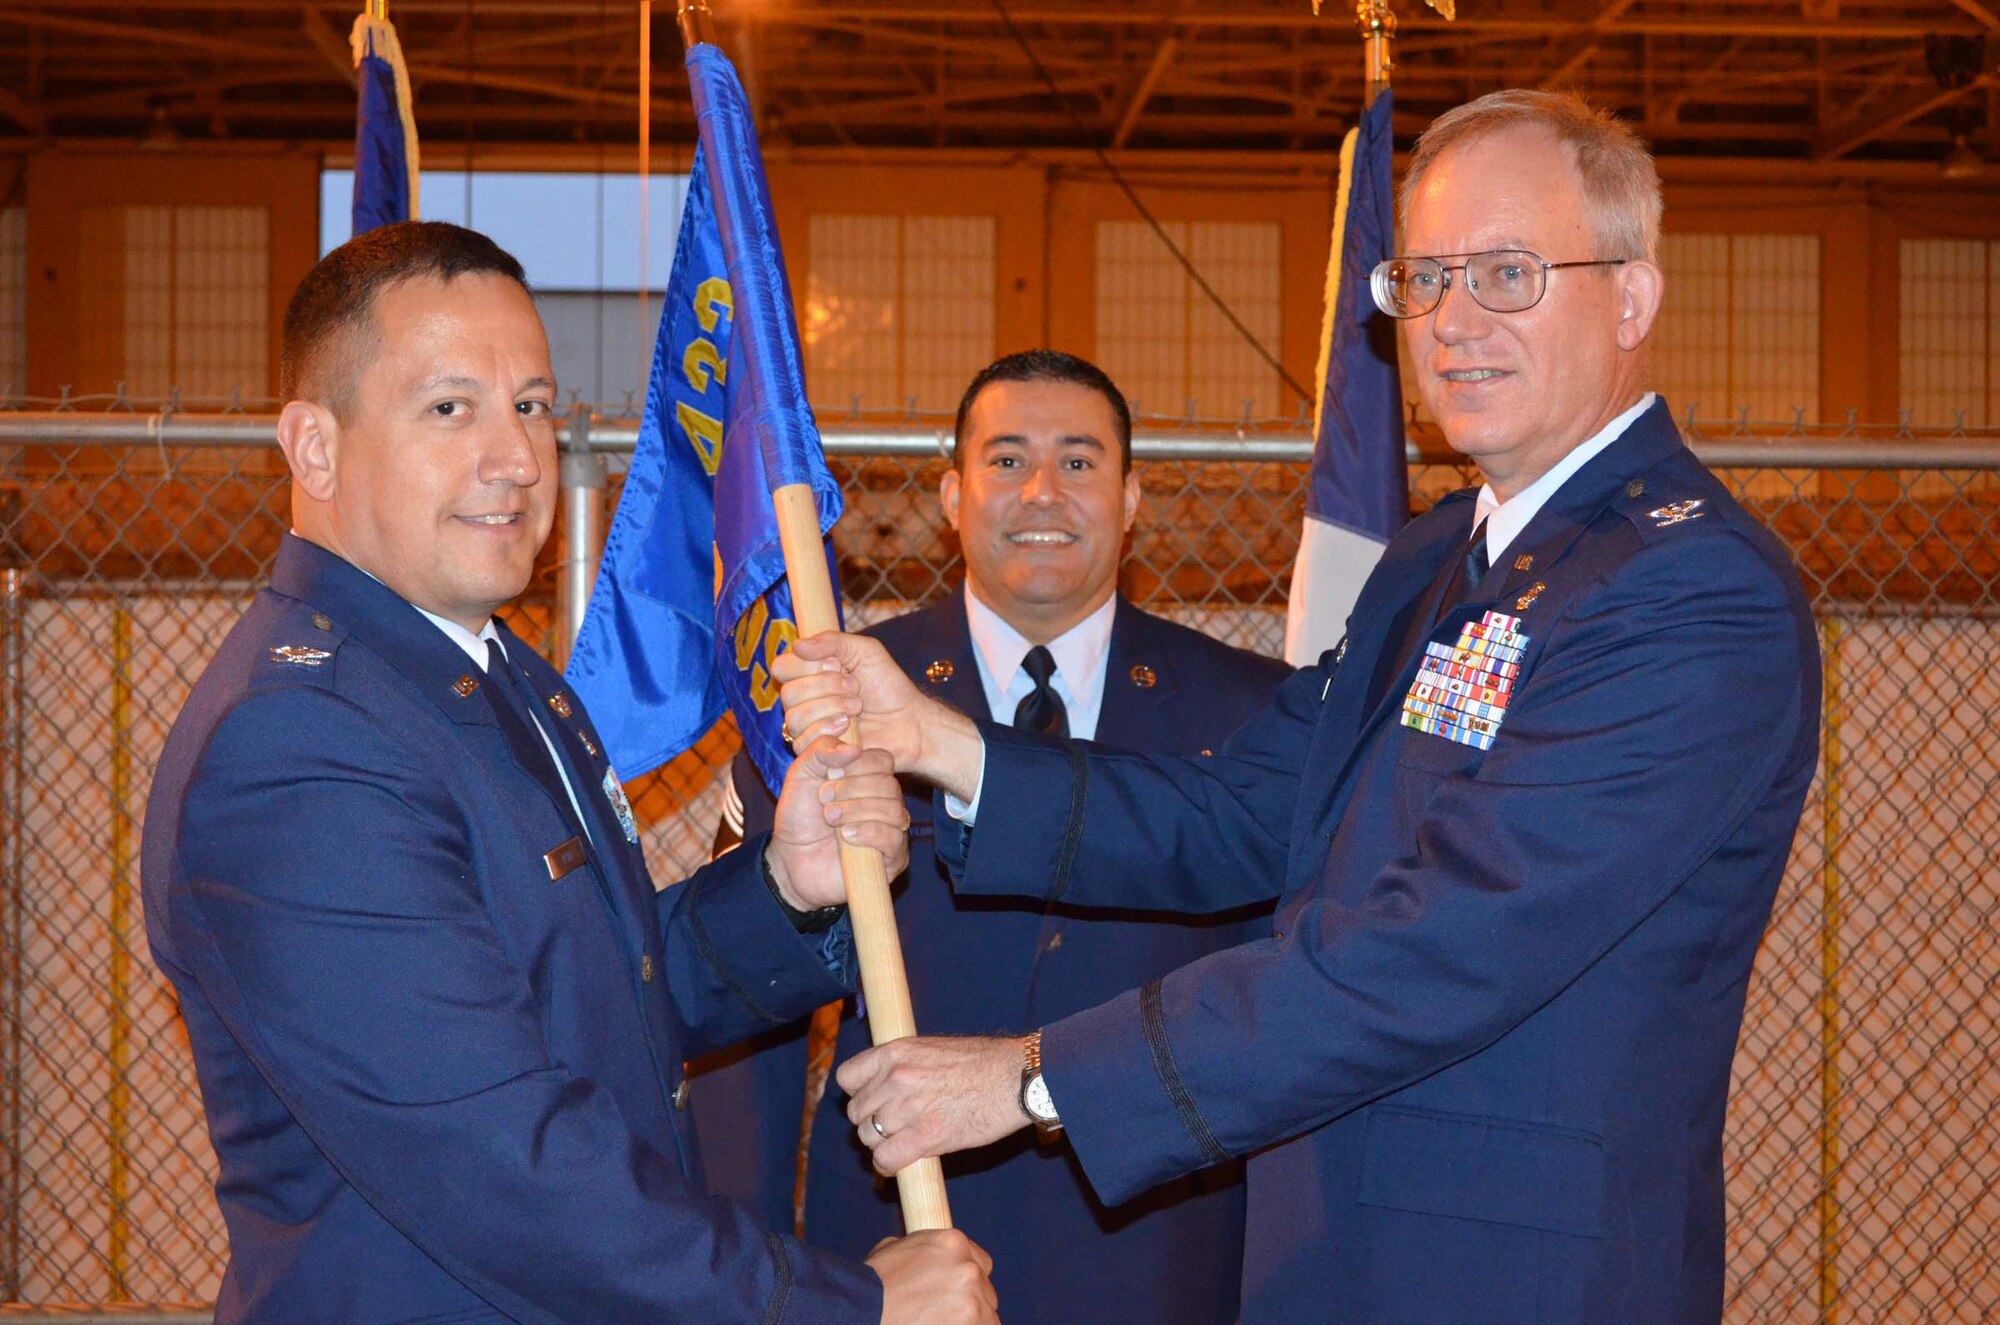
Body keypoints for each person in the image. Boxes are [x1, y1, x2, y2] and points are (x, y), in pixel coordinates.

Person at [775, 91, 1820, 1325]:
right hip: (1329, 1250)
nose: (1452, 321)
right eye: (1423, 277)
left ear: (1631, 298)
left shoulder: (1683, 591)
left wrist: (1035, 1074)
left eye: (1505, 272)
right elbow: (1239, 806)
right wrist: (933, 742)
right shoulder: (1435, 561)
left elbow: (1439, 947)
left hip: (1509, 1279)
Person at [140, 221, 997, 1324]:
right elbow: (492, 1157)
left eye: (532, 405)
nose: (515, 458)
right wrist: (843, 1303)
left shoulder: (494, 675)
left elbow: (596, 992)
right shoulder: (301, 743)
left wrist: (782, 890)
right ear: (313, 447)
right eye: (449, 408)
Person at [693, 350, 1291, 1324]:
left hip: (1169, 1256)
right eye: (1006, 460)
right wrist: (753, 1280)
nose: (1042, 491)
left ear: (1132, 496)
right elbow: (740, 1028)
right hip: (899, 1255)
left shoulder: (1254, 709)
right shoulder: (830, 700)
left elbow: (1284, 1002)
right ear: (949, 494)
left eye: (1080, 462)